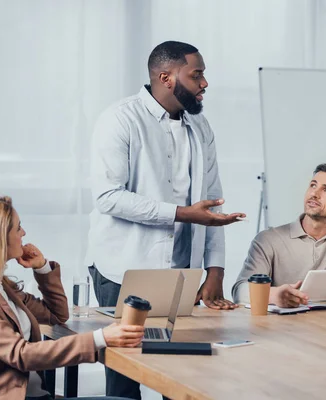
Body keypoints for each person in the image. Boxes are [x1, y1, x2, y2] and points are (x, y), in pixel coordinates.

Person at [86, 40, 245, 398]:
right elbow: (107, 197)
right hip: (124, 269)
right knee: (126, 377)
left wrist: (215, 272)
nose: (205, 84)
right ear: (166, 77)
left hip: (182, 277)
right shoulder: (120, 119)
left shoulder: (201, 129)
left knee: (184, 374)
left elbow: (213, 203)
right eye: (197, 75)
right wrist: (181, 214)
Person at [0, 196, 143, 400]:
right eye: (18, 227)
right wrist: (101, 338)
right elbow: (22, 355)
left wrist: (42, 269)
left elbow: (57, 315)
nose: (24, 233)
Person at [232, 163, 326, 308]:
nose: (314, 194)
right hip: (284, 331)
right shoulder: (268, 240)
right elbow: (240, 291)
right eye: (313, 185)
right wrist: (274, 295)